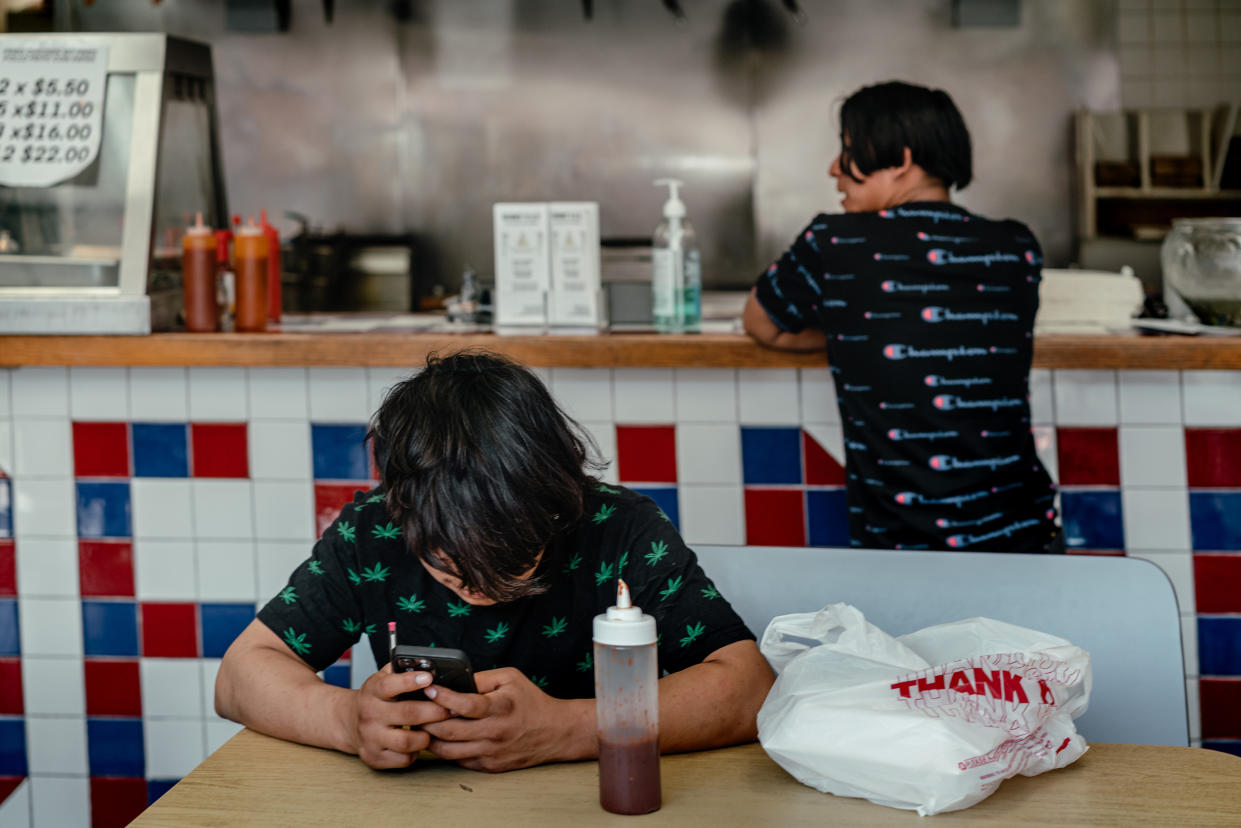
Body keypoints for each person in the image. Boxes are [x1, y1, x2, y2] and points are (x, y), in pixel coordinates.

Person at [215, 350, 774, 771]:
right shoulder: (373, 532)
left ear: (558, 500)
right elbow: (239, 676)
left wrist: (570, 728)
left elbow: (749, 687)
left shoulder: (619, 528)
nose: (479, 590)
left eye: (510, 559)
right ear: (404, 512)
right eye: (449, 565)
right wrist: (346, 721)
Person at [744, 80, 1057, 553]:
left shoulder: (835, 242)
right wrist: (863, 334)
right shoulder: (1017, 246)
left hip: (902, 552)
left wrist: (857, 336)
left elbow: (761, 323)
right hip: (1025, 535)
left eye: (848, 150)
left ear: (901, 160)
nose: (834, 169)